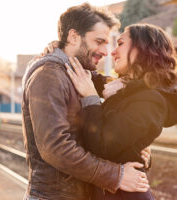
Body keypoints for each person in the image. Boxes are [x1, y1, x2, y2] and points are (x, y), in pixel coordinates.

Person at [22, 4, 150, 200]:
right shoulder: (48, 76)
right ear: (73, 37)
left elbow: (105, 129)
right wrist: (117, 175)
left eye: (107, 43)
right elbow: (55, 148)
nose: (105, 51)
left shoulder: (81, 74)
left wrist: (135, 147)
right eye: (99, 42)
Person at [64, 23, 177, 199]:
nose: (112, 52)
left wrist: (90, 98)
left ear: (142, 48)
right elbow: (91, 76)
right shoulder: (124, 91)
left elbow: (102, 144)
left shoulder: (150, 100)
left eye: (121, 43)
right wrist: (62, 50)